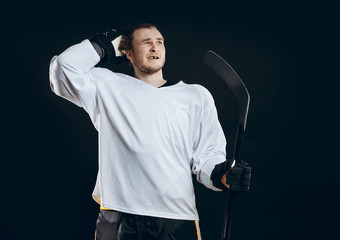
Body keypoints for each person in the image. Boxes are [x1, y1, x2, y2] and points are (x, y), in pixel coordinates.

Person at [49, 23, 251, 240]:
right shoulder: (106, 85)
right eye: (146, 43)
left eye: (159, 42)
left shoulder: (196, 96)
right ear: (128, 53)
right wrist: (102, 47)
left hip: (175, 218)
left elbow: (207, 157)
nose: (155, 47)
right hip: (118, 216)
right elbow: (63, 67)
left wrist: (223, 174)